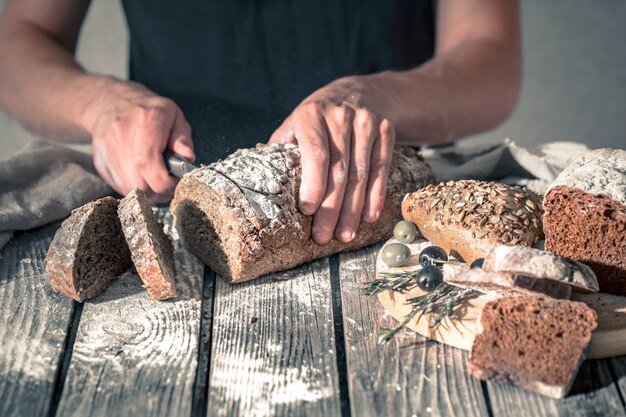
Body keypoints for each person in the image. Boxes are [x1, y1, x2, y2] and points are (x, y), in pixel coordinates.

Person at [0, 0, 520, 245]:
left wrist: (376, 95)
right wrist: (100, 103)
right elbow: (18, 38)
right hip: (175, 205)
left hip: (386, 206)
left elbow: (490, 55)